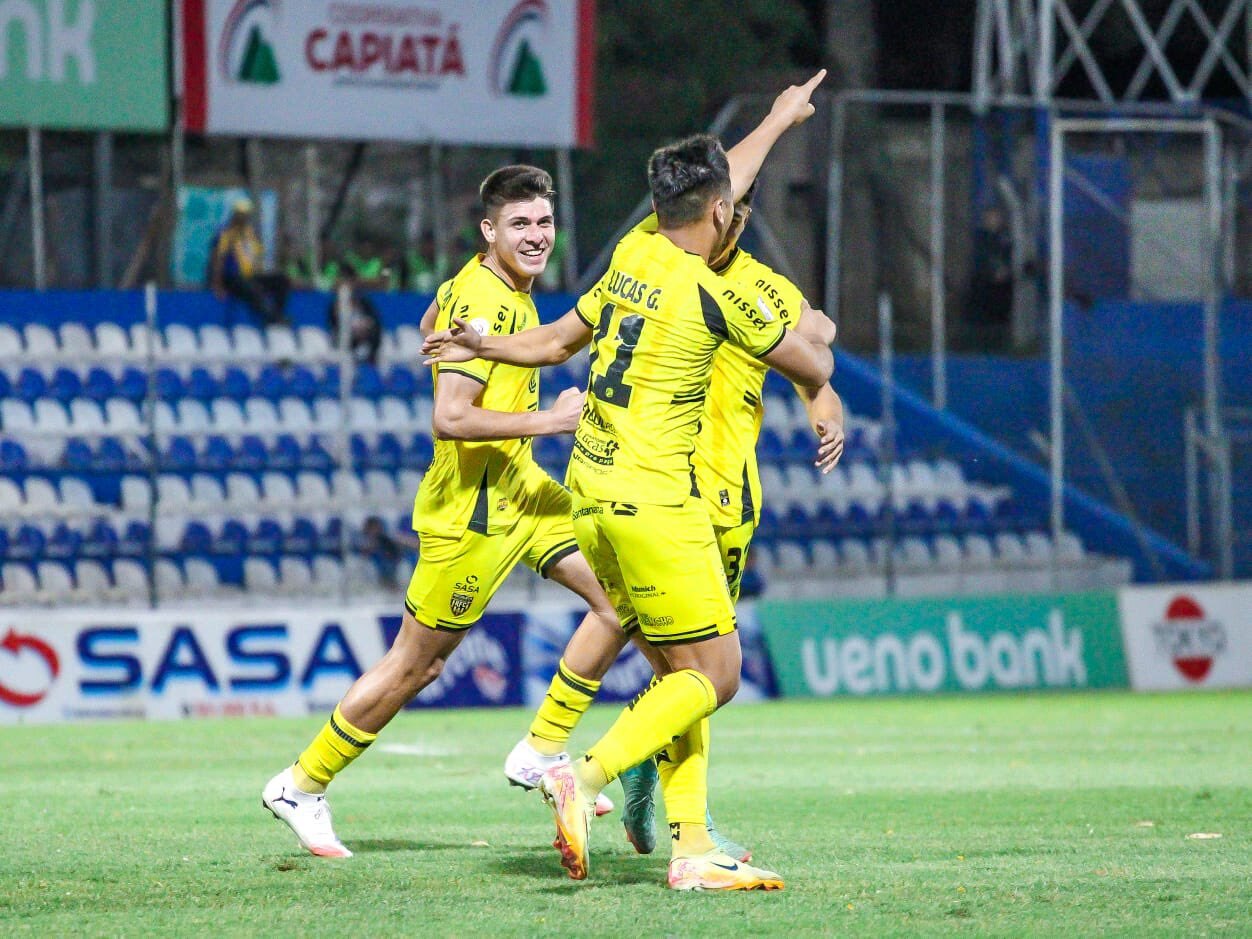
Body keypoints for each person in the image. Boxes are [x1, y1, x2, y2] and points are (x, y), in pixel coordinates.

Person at [423, 89, 834, 890]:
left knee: (678, 672)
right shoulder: (719, 294)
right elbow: (813, 364)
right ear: (720, 212)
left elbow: (549, 344)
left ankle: (691, 850)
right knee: (714, 675)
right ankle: (588, 770)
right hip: (660, 500)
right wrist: (809, 329)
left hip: (588, 489)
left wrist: (481, 341)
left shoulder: (631, 257)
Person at [261, 165, 626, 858]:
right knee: (415, 667)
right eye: (519, 224)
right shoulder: (487, 301)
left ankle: (540, 750)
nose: (536, 235)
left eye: (544, 222)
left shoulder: (484, 289)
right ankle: (301, 785)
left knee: (621, 598)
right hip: (473, 512)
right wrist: (550, 421)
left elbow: (434, 320)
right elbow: (451, 417)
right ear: (489, 231)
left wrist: (440, 338)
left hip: (523, 492)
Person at [209, 198, 289, 325]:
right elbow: (218, 259)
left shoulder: (249, 232)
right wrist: (217, 285)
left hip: (248, 276)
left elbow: (256, 256)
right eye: (241, 215)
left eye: (246, 215)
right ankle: (270, 318)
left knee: (281, 280)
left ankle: (278, 313)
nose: (244, 218)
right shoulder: (225, 233)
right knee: (252, 289)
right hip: (231, 277)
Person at [326, 269, 382, 366]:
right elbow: (333, 325)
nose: (347, 287)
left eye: (349, 283)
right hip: (345, 339)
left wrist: (365, 327)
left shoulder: (364, 302)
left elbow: (375, 320)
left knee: (374, 331)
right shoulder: (334, 305)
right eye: (343, 283)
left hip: (365, 336)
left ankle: (370, 357)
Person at [358, 515, 420, 589]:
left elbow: (411, 544)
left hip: (395, 559)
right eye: (372, 529)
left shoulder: (388, 538)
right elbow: (364, 550)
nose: (374, 531)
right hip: (382, 563)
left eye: (375, 528)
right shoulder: (363, 540)